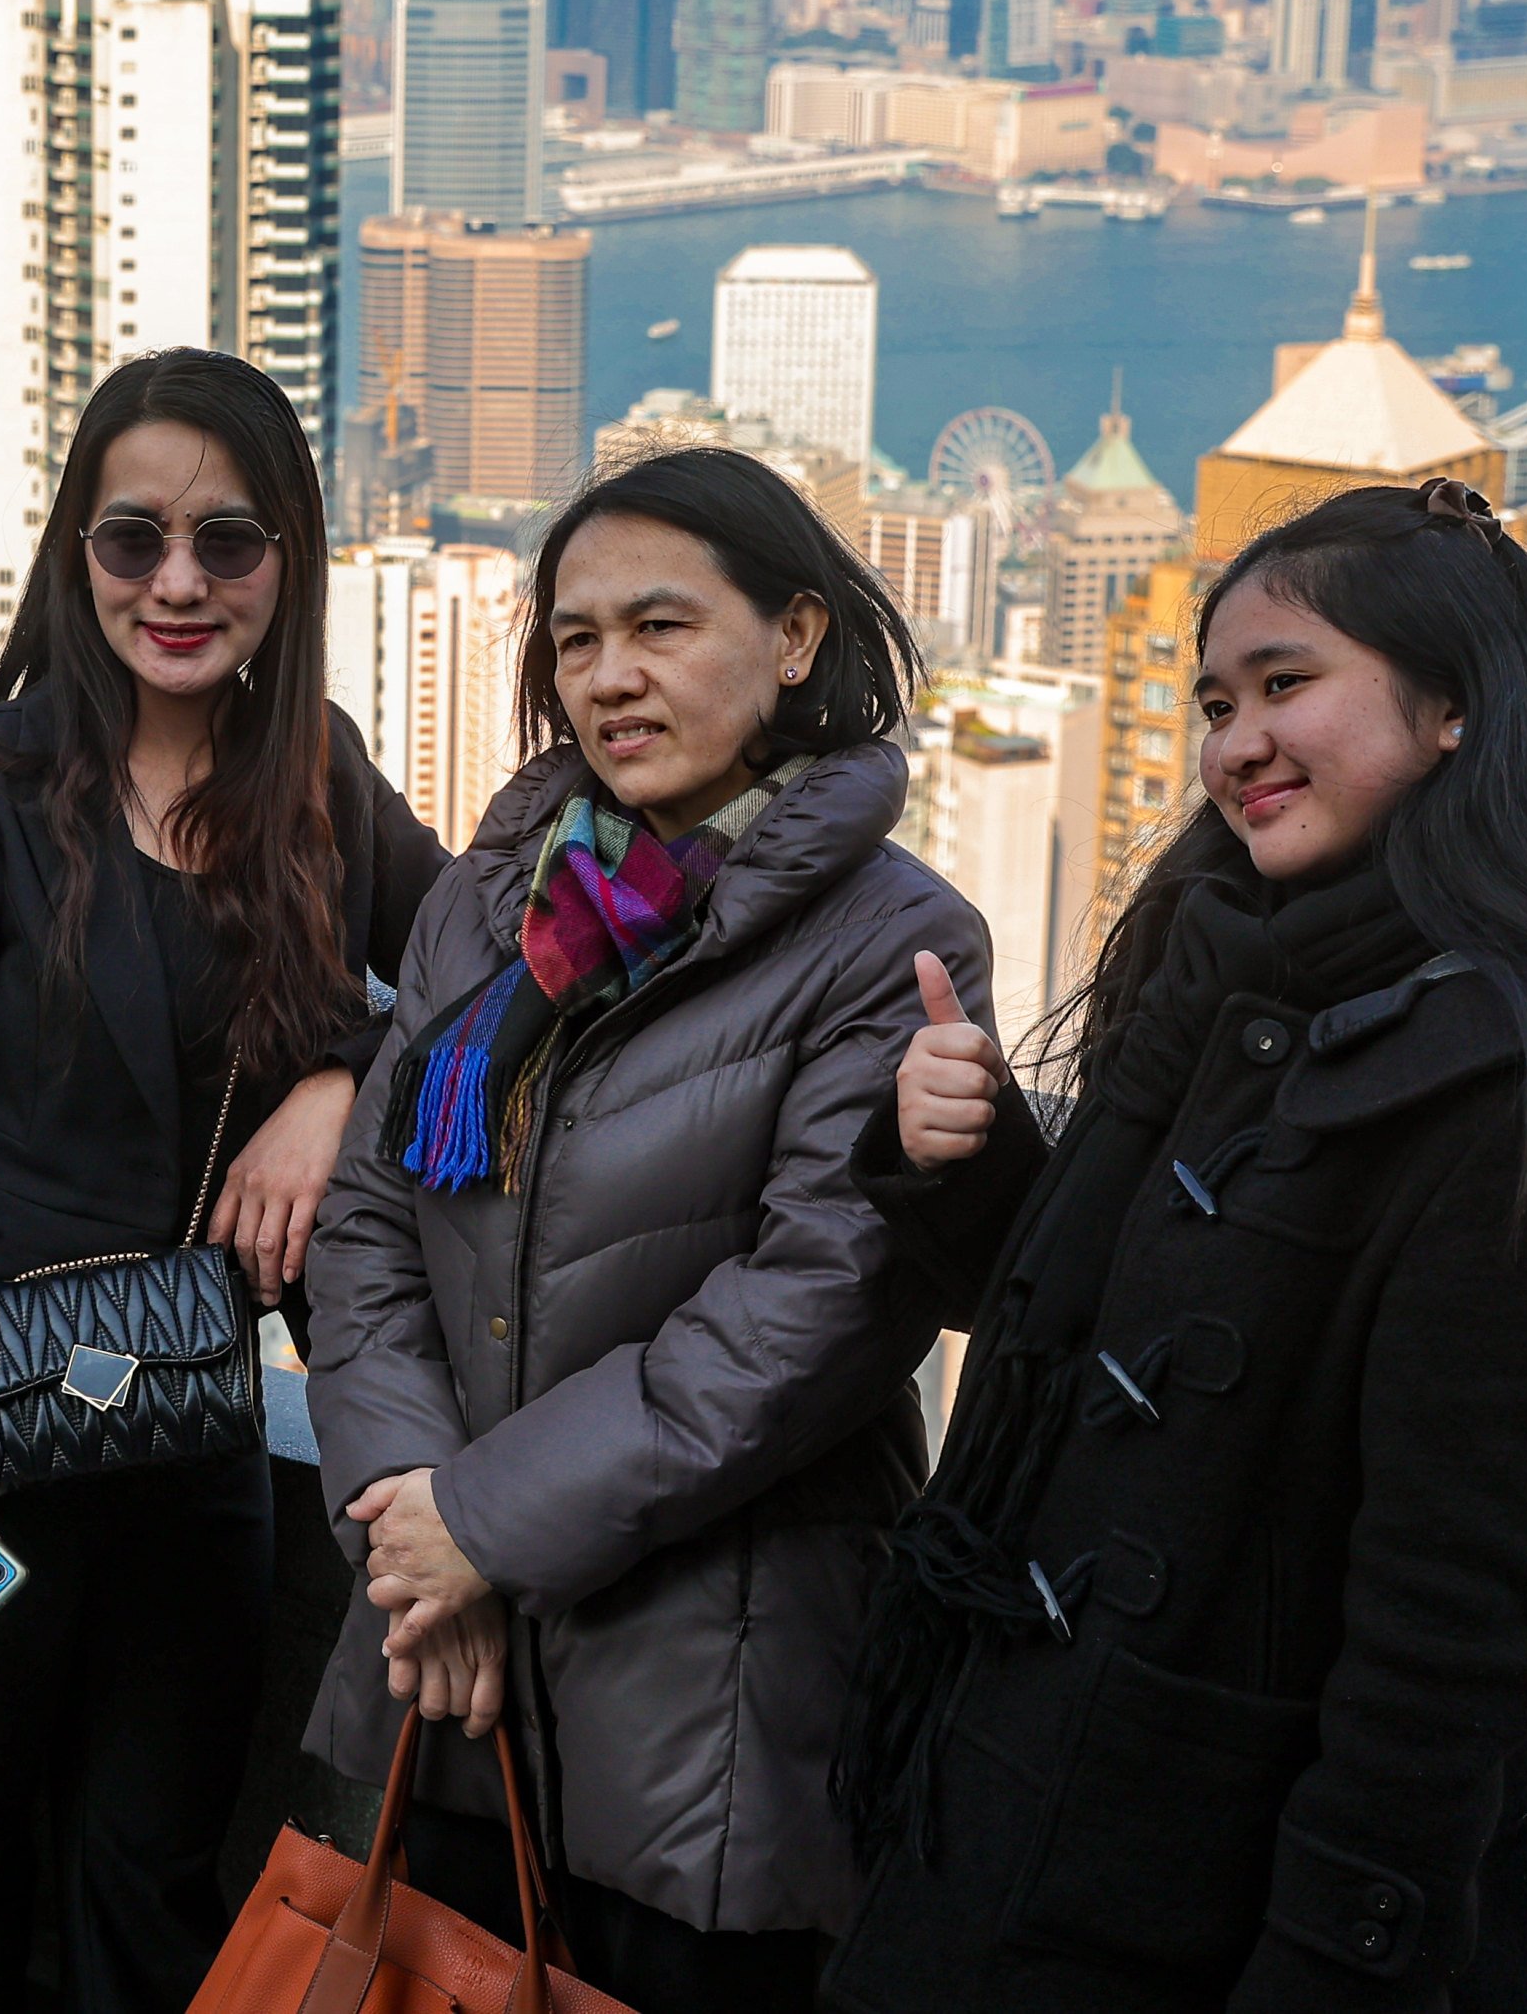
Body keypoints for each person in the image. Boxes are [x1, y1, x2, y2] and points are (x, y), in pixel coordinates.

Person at [823, 482, 1527, 2014]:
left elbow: (1446, 1639)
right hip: (1003, 1805)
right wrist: (958, 1155)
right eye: (1212, 700)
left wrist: (1325, 1968)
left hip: (1209, 1895)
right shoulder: (1217, 971)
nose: (1233, 740)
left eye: (1285, 684)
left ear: (1447, 705)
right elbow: (1113, 1343)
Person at [298, 444, 978, 2014]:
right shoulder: (491, 901)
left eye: (659, 629)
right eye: (575, 638)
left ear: (795, 636)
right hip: (445, 1677)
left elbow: (809, 1312)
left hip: (710, 1721)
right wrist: (412, 1519)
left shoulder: (889, 941)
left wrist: (481, 1529)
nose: (607, 676)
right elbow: (368, 1221)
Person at [0, 349, 446, 2014]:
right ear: (74, 554)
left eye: (229, 543)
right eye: (134, 539)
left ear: (289, 561)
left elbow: (484, 982)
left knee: (154, 1871)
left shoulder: (311, 774)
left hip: (187, 1461)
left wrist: (337, 1080)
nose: (179, 582)